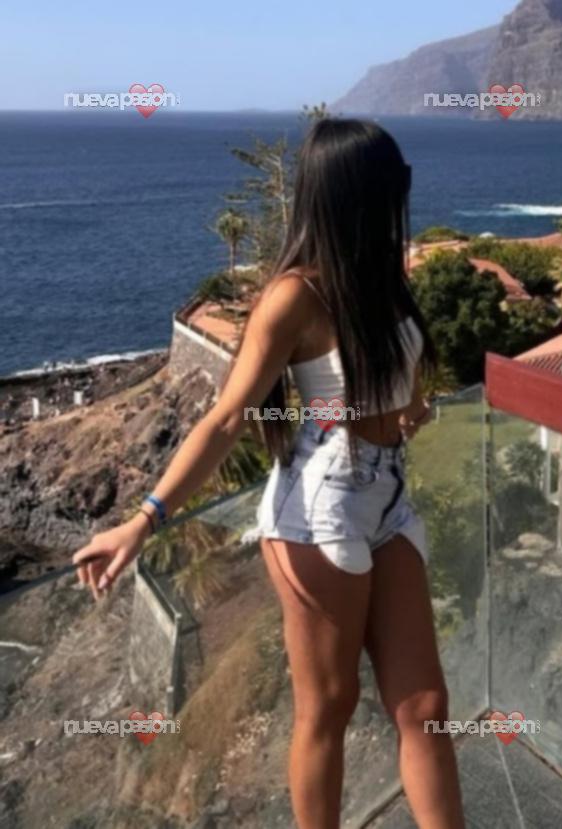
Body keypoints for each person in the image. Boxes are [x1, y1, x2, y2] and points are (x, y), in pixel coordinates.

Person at [74, 118, 465, 829]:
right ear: (357, 191)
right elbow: (227, 418)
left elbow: (393, 381)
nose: (405, 190)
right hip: (319, 510)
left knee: (425, 707)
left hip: (388, 497)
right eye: (395, 179)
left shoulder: (381, 275)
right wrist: (143, 520)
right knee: (329, 706)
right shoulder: (296, 297)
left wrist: (408, 409)